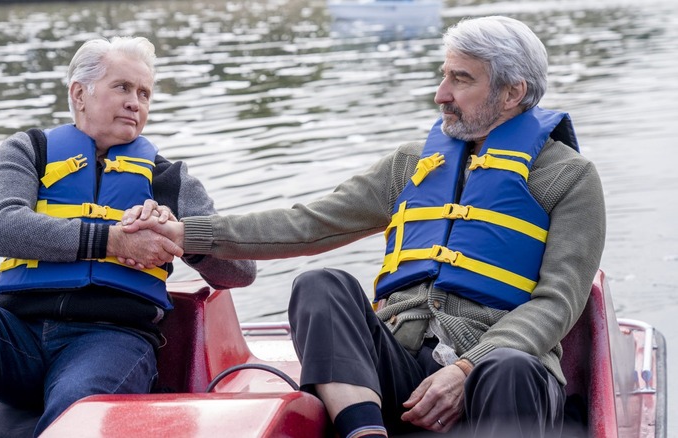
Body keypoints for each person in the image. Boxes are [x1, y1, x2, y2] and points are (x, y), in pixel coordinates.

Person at [121, 15, 606, 438]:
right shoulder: (412, 164)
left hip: (502, 372)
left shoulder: (570, 178)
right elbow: (307, 224)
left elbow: (557, 301)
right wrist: (188, 235)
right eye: (444, 75)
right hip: (405, 363)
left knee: (508, 367)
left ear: (512, 93)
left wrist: (467, 366)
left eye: (461, 79)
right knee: (320, 286)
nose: (441, 94)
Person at [0, 36, 256, 437]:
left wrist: (180, 234)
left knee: (71, 414)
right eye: (123, 88)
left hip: (110, 340)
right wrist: (111, 241)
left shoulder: (168, 178)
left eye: (145, 93)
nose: (136, 102)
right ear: (79, 94)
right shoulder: (29, 151)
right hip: (20, 338)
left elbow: (240, 270)